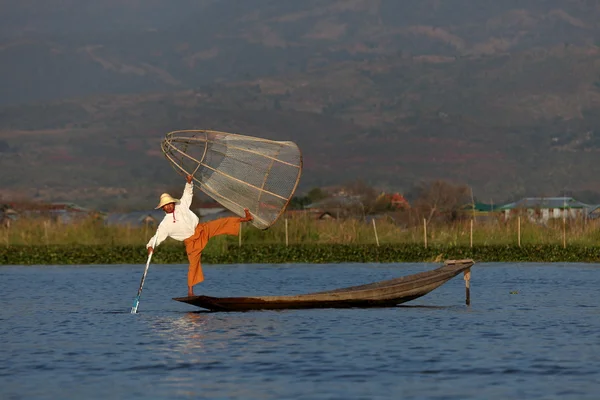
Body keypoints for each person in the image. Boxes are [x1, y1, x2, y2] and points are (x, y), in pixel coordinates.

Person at [147, 174, 253, 296]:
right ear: (163, 208)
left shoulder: (181, 205)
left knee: (221, 222)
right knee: (193, 264)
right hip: (191, 242)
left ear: (172, 203)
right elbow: (157, 237)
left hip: (201, 229)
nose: (169, 206)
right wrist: (150, 246)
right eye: (166, 205)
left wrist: (189, 183)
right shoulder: (165, 224)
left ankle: (245, 219)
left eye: (170, 203)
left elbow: (187, 195)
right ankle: (190, 291)